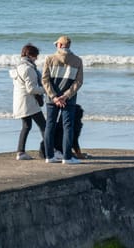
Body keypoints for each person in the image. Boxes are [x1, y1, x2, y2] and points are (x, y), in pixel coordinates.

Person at [42, 35, 84, 164]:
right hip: (69, 100)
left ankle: (49, 156)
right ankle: (67, 157)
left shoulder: (49, 59)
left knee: (49, 126)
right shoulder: (77, 60)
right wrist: (66, 96)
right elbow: (78, 82)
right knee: (68, 127)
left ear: (60, 45)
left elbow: (45, 80)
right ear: (69, 46)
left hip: (52, 99)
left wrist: (54, 96)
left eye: (56, 44)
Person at [9, 43, 46, 160]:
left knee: (26, 126)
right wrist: (46, 90)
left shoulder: (18, 67)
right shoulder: (28, 69)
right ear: (30, 55)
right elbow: (31, 89)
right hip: (29, 103)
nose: (36, 59)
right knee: (44, 126)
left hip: (20, 102)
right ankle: (48, 151)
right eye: (35, 56)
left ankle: (20, 152)